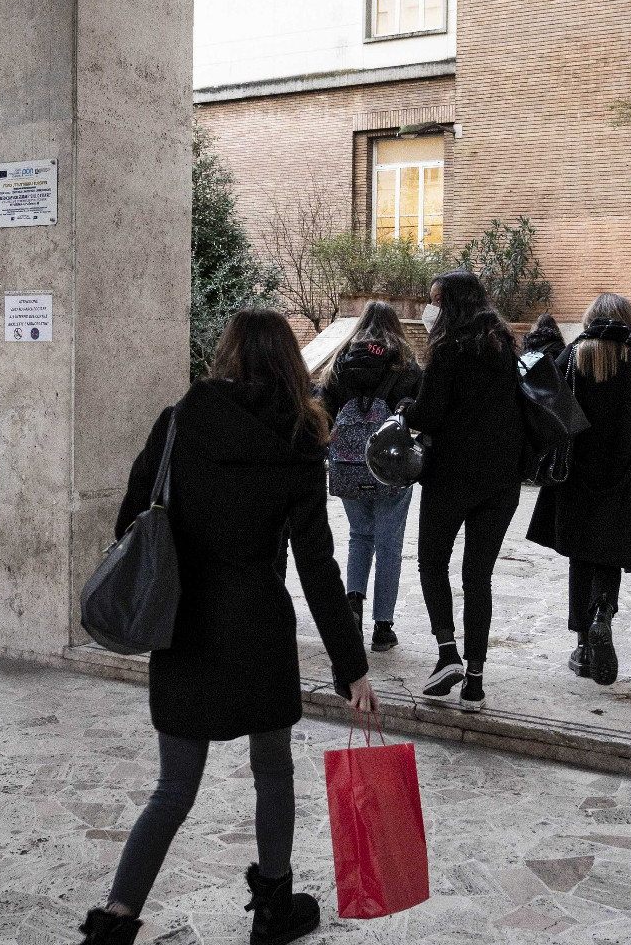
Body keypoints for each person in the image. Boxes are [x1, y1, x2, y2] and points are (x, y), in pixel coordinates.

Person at [79, 309, 376, 945]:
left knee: (172, 789)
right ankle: (272, 913)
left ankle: (114, 923)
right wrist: (352, 667)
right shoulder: (299, 441)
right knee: (273, 771)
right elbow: (318, 566)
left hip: (183, 624)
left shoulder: (181, 420)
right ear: (290, 363)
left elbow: (130, 520)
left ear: (228, 355)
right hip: (258, 628)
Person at [526, 294, 631, 686]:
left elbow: (544, 396)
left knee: (581, 555)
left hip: (577, 475)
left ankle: (583, 648)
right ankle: (602, 614)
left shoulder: (575, 355)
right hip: (626, 477)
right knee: (609, 554)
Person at [403, 270, 526, 711]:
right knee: (478, 577)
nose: (430, 308)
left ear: (451, 304)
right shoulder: (504, 347)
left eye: (435, 300)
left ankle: (446, 652)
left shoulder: (448, 350)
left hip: (451, 477)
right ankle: (474, 682)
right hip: (501, 480)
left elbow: (428, 414)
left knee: (432, 562)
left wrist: (406, 408)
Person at [320, 300, 424, 652]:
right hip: (390, 466)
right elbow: (420, 412)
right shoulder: (403, 362)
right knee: (389, 544)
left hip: (348, 465)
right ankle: (383, 627)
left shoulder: (341, 360)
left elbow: (324, 410)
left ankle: (353, 604)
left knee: (359, 537)